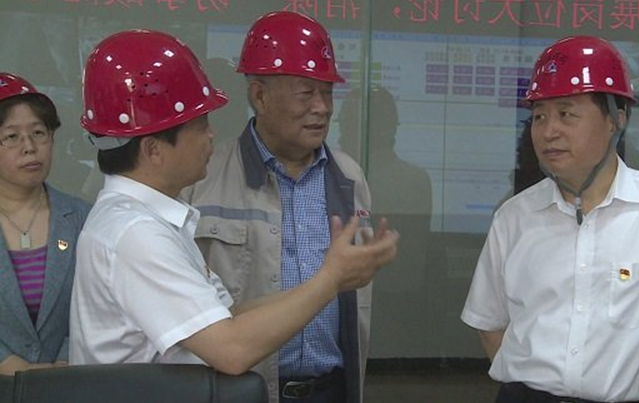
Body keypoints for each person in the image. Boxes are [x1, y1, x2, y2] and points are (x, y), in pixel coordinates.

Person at [68, 29, 399, 386]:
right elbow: (231, 349)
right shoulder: (136, 234)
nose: (211, 135)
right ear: (153, 150)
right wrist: (330, 279)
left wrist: (332, 279)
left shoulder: (150, 222)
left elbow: (226, 317)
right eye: (200, 126)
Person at [460, 36, 639, 403]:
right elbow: (490, 326)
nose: (548, 131)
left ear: (616, 118)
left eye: (566, 114)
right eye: (539, 116)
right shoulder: (514, 218)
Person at [180, 11, 382, 403]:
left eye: (327, 92)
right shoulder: (202, 179)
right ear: (259, 96)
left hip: (330, 389)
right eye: (306, 94)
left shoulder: (349, 177)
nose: (322, 107)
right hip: (238, 390)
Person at [0, 72, 91, 376]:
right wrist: (11, 366)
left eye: (39, 133)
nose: (29, 147)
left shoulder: (81, 218)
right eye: (11, 137)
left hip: (67, 382)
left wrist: (61, 365)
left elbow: (96, 305)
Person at [337, 85, 433, 356]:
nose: (342, 133)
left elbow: (409, 271)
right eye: (344, 123)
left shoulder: (407, 180)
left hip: (392, 311)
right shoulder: (332, 175)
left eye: (347, 124)